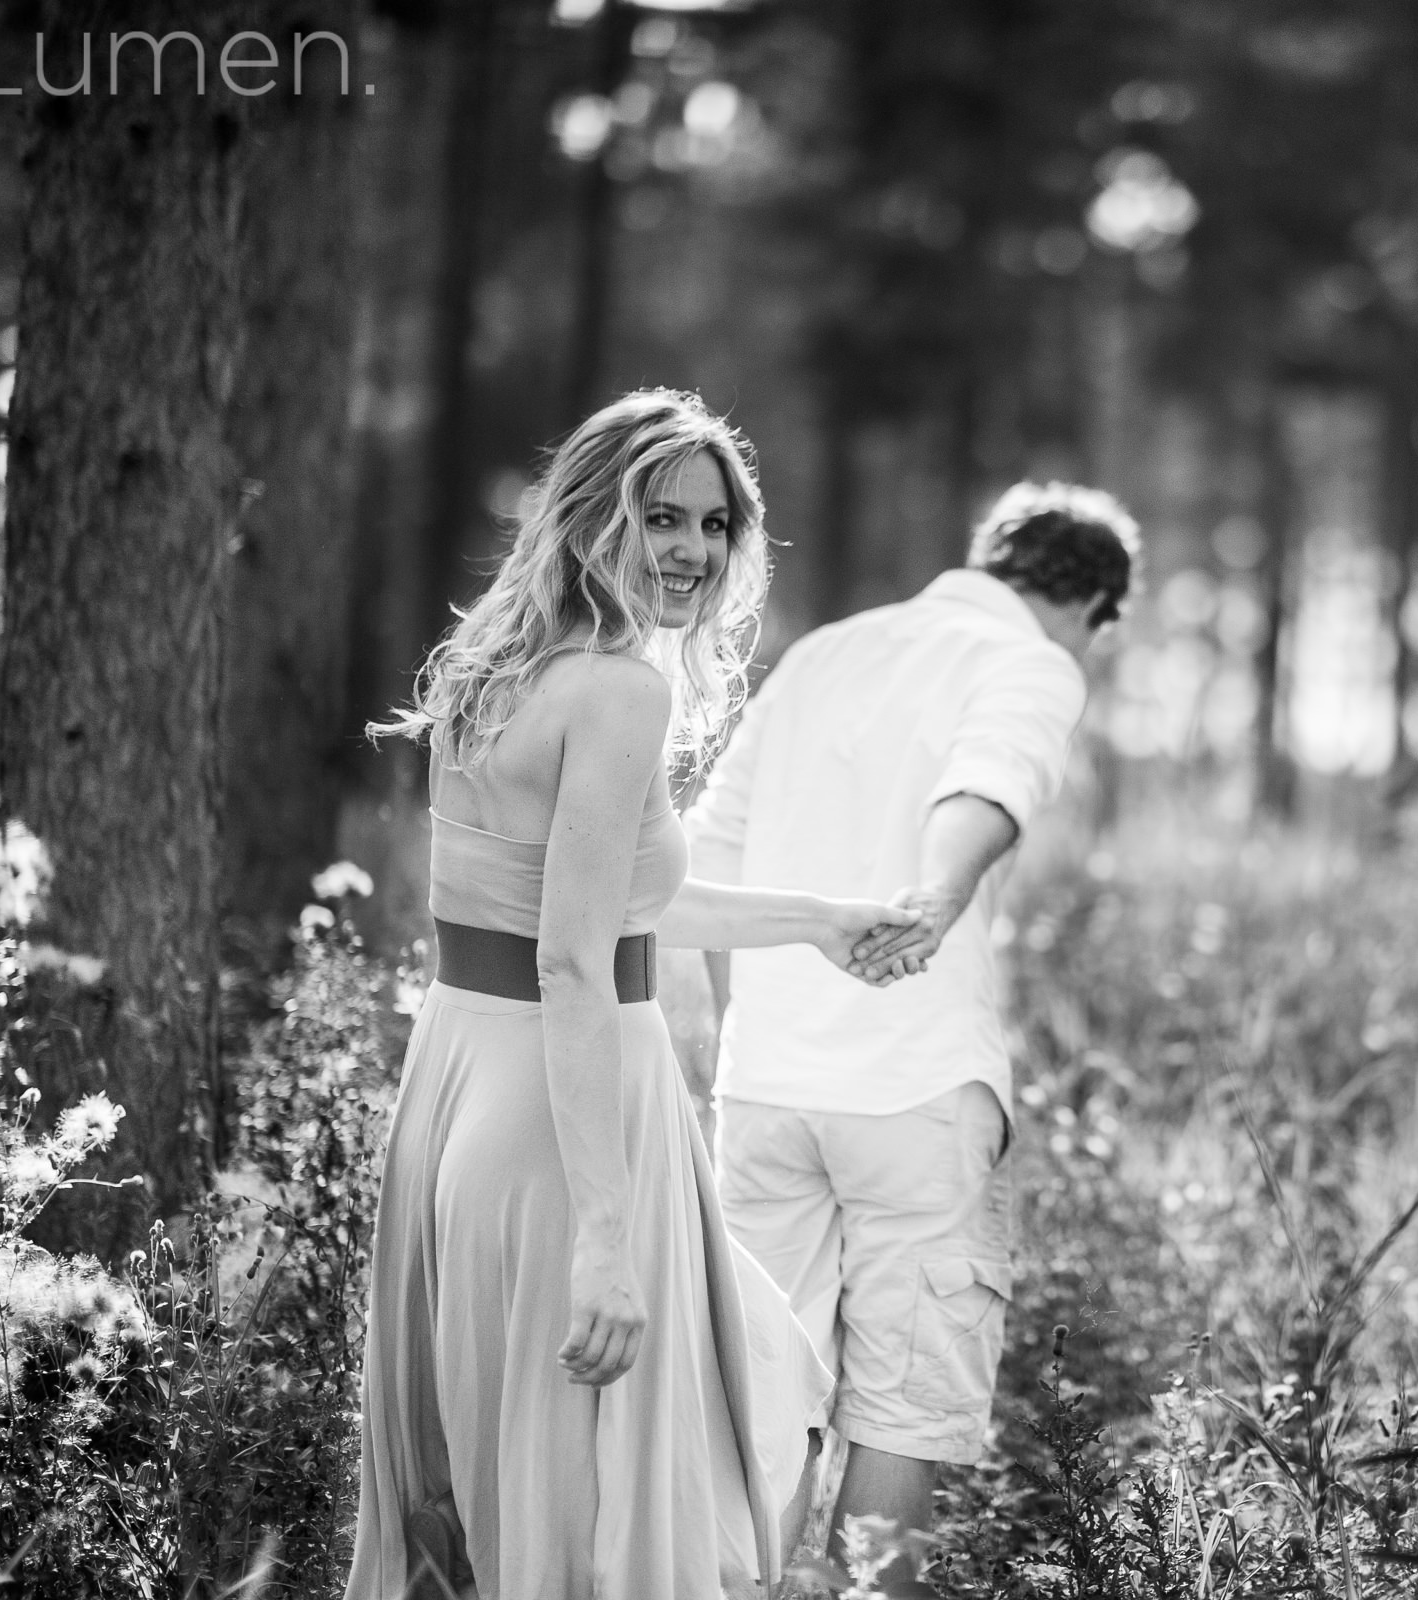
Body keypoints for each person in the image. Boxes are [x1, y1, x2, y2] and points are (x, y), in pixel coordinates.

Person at [348, 390, 919, 1600]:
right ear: (590, 511)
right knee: (591, 1501)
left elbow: (593, 912)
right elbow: (571, 960)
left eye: (715, 527)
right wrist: (607, 1236)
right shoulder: (617, 690)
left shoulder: (492, 667)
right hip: (571, 1122)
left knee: (507, 1491)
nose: (691, 552)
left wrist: (816, 923)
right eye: (662, 516)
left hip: (464, 1087)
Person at [684, 481, 1139, 1597]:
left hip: (767, 1088)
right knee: (901, 1402)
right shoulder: (1031, 663)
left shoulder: (825, 652)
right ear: (1087, 601)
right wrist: (934, 897)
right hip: (916, 1089)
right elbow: (990, 778)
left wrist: (745, 1027)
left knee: (754, 1382)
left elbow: (704, 857)